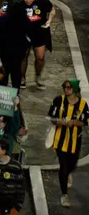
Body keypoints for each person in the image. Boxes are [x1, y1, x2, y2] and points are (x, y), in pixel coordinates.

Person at [47, 78, 88, 208]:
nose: (66, 89)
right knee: (63, 167)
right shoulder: (58, 100)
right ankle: (64, 194)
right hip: (60, 140)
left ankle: (67, 174)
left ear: (75, 89)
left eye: (69, 87)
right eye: (65, 87)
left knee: (73, 164)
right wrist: (61, 122)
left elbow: (85, 121)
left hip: (75, 141)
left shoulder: (82, 104)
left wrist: (73, 123)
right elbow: (51, 117)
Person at [19, 0, 55, 90]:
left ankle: (38, 76)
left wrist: (49, 21)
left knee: (40, 57)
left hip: (40, 32)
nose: (28, 1)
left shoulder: (42, 0)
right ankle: (22, 78)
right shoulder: (18, 3)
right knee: (23, 56)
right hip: (24, 33)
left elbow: (52, 10)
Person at [0, 138, 25, 215]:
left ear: (3, 151)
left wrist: (18, 206)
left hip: (10, 204)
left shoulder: (16, 166)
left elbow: (21, 187)